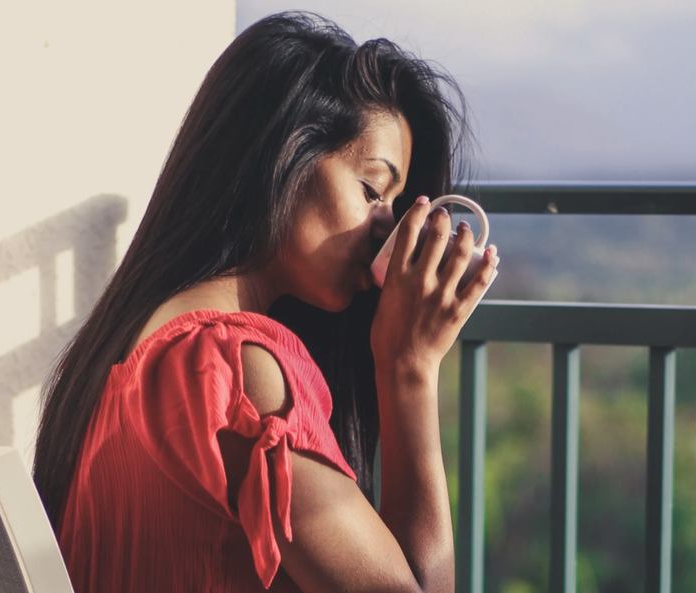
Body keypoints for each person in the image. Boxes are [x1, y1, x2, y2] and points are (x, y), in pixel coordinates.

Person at [32, 11, 498, 593]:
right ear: (283, 157)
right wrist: (410, 368)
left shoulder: (139, 340)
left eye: (396, 206)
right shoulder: (232, 368)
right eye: (372, 190)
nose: (388, 228)